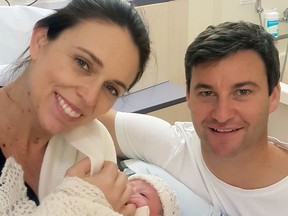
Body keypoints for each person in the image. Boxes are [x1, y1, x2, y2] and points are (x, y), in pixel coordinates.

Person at [99, 21, 288, 215]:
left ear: (273, 96)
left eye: (242, 92)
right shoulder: (172, 146)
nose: (222, 115)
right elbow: (86, 111)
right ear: (188, 96)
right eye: (207, 93)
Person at [0, 0, 150, 215]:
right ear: (40, 42)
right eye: (82, 63)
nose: (89, 98)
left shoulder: (93, 148)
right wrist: (78, 206)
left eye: (111, 88)